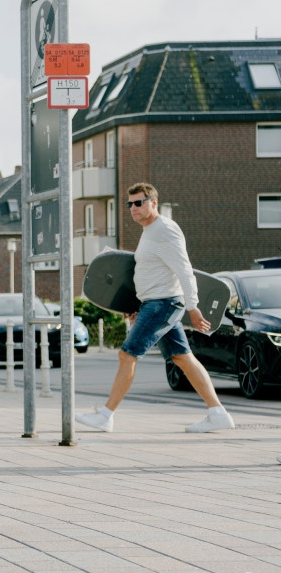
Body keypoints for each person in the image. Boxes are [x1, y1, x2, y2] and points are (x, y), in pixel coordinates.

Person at [75, 183, 234, 434]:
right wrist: (136, 304)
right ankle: (218, 413)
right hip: (155, 303)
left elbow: (184, 269)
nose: (134, 208)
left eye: (139, 202)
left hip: (164, 303)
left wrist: (193, 307)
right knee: (183, 358)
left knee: (127, 354)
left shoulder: (165, 230)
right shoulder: (149, 231)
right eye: (130, 204)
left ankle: (105, 416)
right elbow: (152, 273)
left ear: (153, 202)